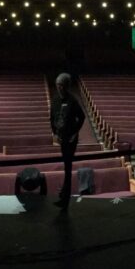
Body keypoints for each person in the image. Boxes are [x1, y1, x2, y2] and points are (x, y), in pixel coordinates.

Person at [50, 72, 87, 209]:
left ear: (67, 86)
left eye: (62, 85)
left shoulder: (72, 100)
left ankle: (65, 197)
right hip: (61, 137)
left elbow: (82, 117)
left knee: (68, 167)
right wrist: (55, 133)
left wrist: (75, 133)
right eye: (58, 85)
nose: (59, 88)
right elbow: (52, 118)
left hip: (71, 138)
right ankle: (63, 195)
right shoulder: (55, 100)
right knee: (66, 166)